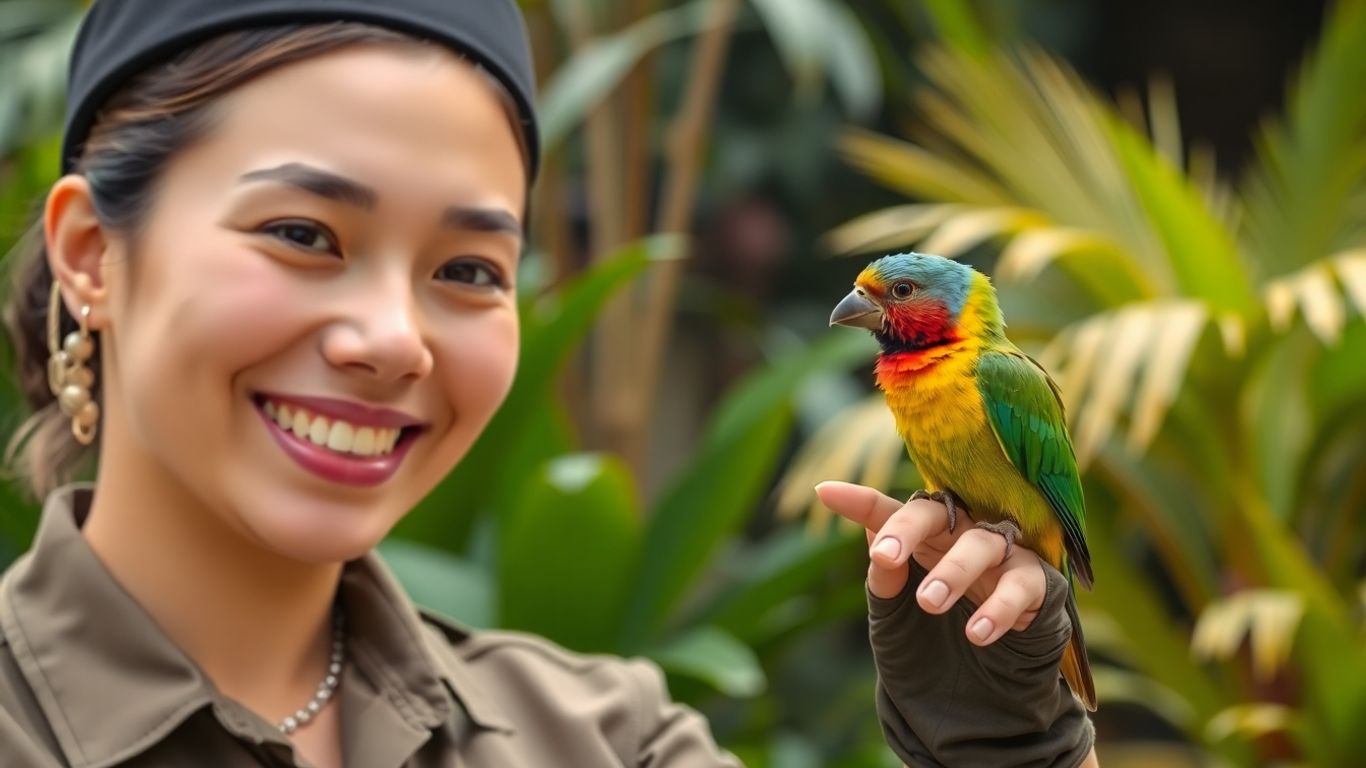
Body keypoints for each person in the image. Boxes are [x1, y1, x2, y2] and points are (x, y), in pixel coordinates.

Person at [0, 0, 1095, 765]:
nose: (393, 340)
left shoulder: (606, 739)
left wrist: (1002, 750)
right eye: (302, 232)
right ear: (92, 256)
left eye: (469, 269)